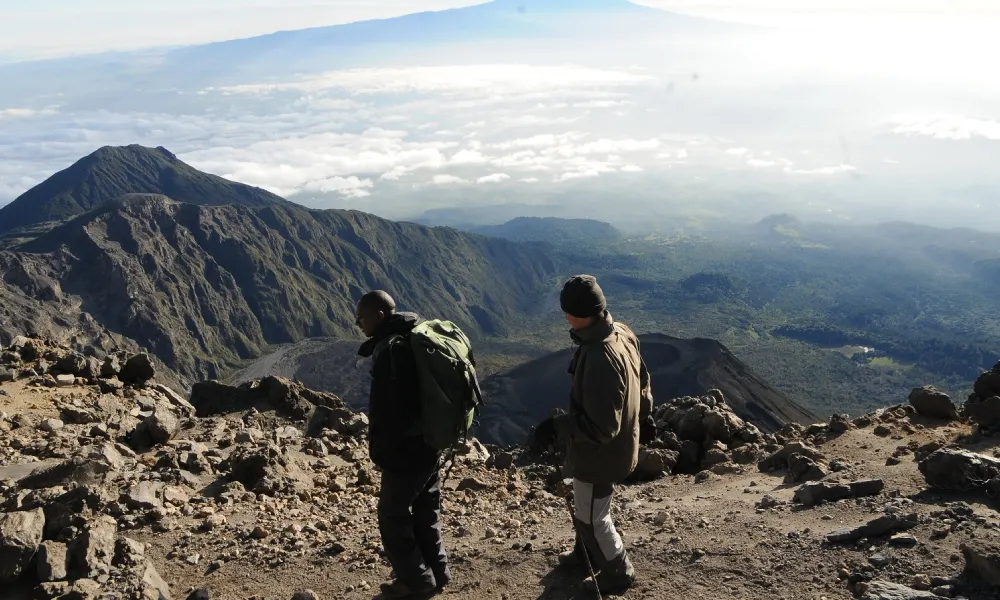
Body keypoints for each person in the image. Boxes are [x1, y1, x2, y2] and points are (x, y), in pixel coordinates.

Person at [533, 275, 653, 595]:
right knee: (587, 507)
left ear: (578, 314)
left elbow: (601, 429)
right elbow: (642, 379)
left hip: (602, 456)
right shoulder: (621, 332)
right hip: (625, 441)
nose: (565, 318)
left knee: (592, 518)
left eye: (566, 312)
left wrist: (558, 426)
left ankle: (618, 570)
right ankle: (584, 556)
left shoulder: (600, 355)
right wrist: (646, 415)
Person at [356, 290, 450, 599]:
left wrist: (381, 451)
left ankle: (417, 581)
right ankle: (437, 572)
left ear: (379, 316)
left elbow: (388, 411)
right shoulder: (414, 335)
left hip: (406, 449)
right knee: (426, 510)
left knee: (392, 516)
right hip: (431, 442)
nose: (358, 322)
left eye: (361, 316)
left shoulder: (391, 351)